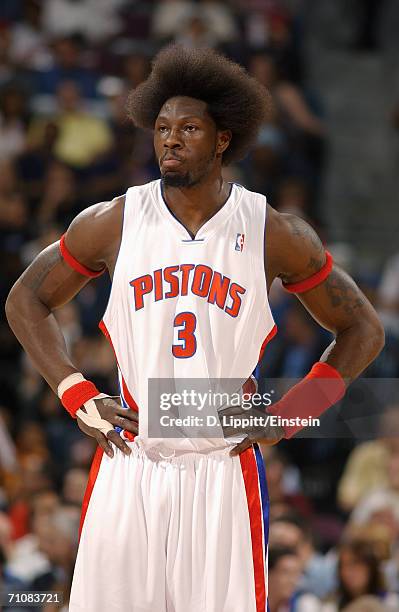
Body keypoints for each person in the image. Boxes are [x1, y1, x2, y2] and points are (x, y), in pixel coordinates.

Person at [6, 45, 384, 612]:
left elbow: (363, 330)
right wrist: (75, 392)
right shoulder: (114, 221)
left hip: (222, 465)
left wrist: (290, 415)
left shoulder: (270, 231)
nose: (170, 139)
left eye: (188, 127)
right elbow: (25, 299)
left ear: (222, 139)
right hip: (132, 458)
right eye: (161, 128)